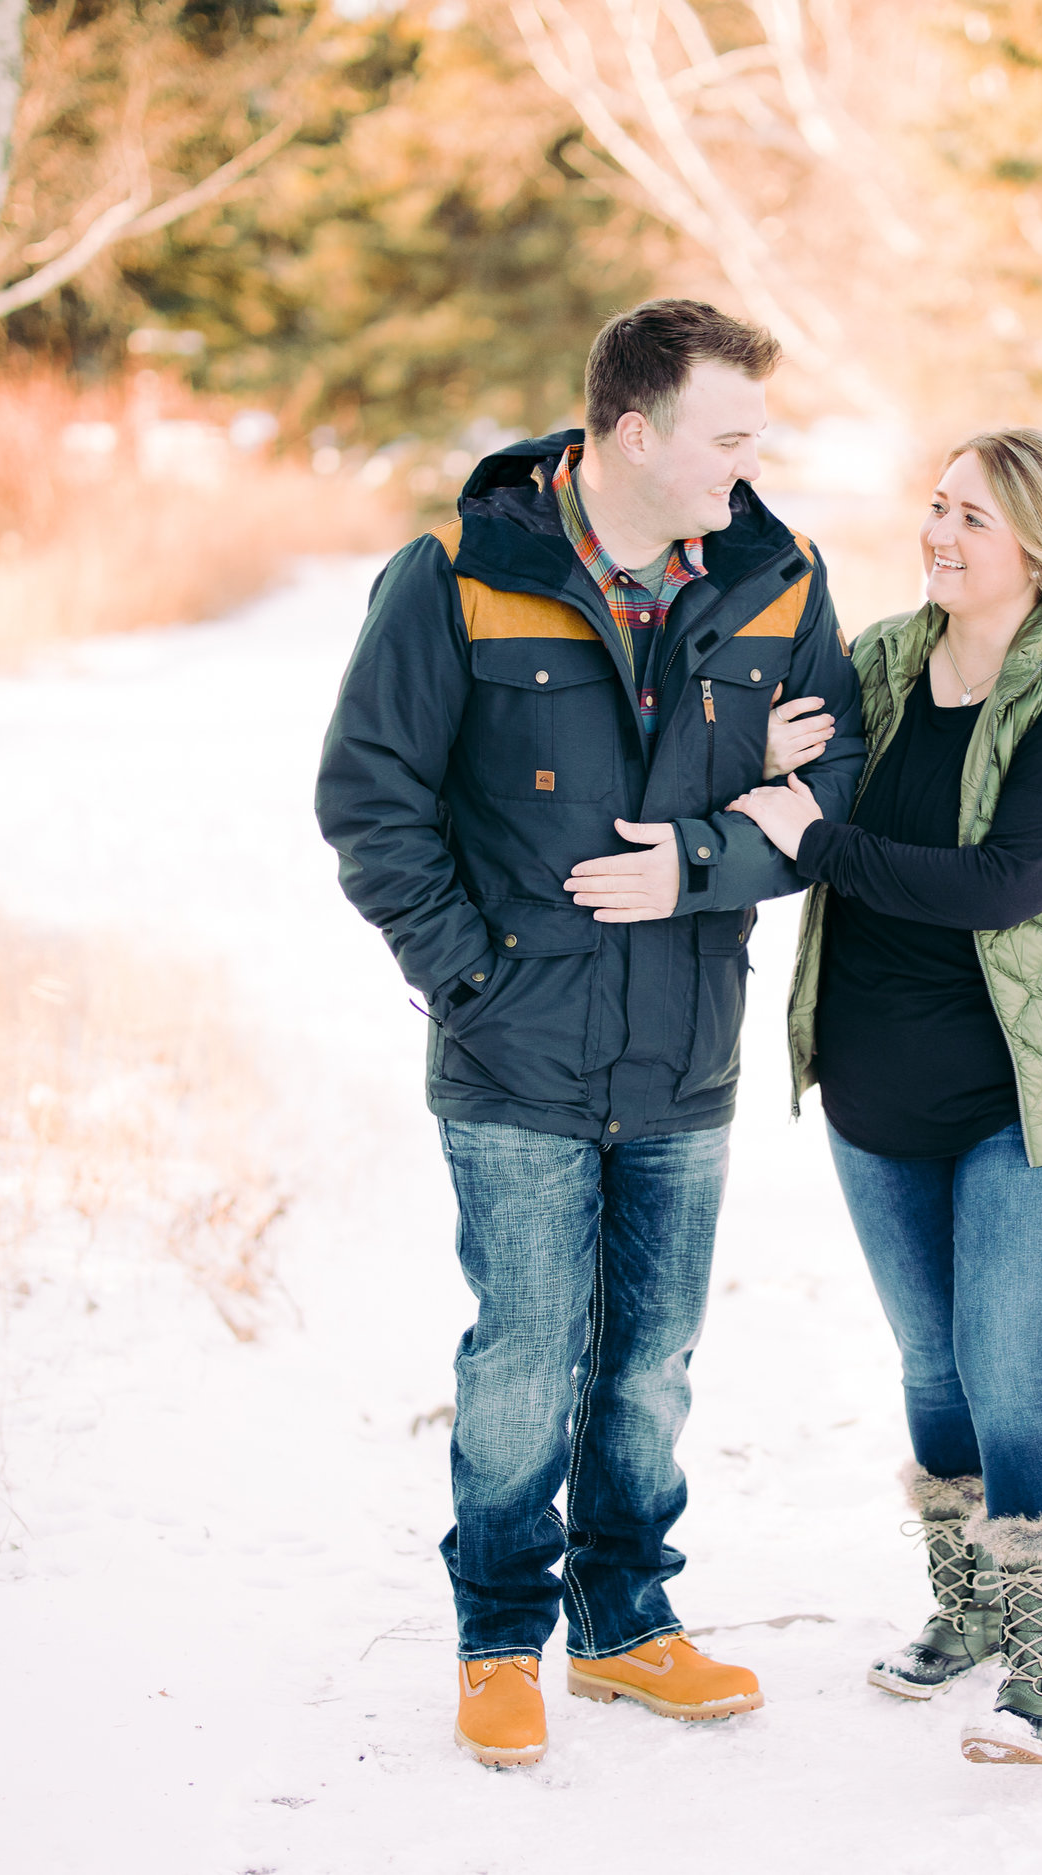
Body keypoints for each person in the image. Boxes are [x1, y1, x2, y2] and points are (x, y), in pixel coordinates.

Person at [316, 299, 865, 1769]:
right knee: (526, 1354)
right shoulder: (456, 578)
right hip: (514, 1052)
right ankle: (500, 1641)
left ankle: (628, 1630)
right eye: (728, 435)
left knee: (652, 1365)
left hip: (686, 1045)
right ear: (633, 432)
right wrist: (469, 979)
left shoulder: (774, 576)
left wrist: (706, 861)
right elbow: (369, 799)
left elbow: (838, 788)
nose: (754, 462)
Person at [729, 427, 1042, 1767]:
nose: (940, 534)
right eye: (936, 507)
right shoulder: (879, 662)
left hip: (1039, 1099)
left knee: (1012, 1366)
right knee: (933, 1366)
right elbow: (779, 790)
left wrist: (819, 838)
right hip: (876, 1087)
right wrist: (764, 754)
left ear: (1039, 543)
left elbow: (1004, 884)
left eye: (972, 517)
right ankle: (970, 1612)